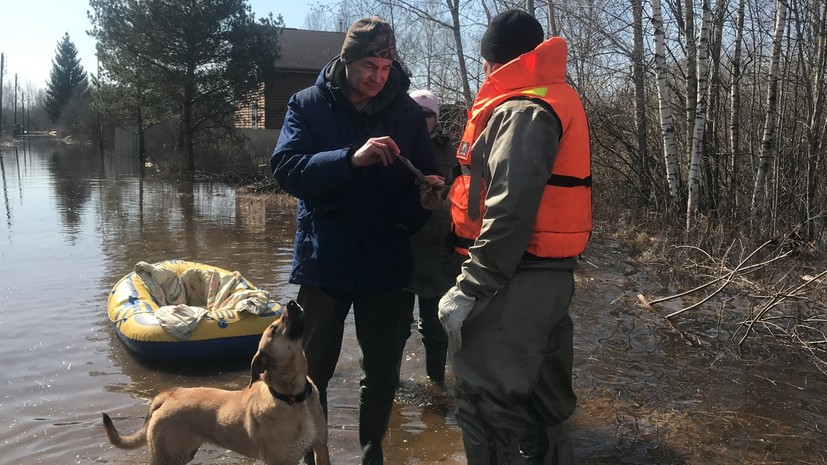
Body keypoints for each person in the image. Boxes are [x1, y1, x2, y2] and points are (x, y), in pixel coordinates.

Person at [270, 16, 443, 465]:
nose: (378, 76)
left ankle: (372, 455)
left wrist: (426, 200)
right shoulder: (307, 104)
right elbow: (286, 170)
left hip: (386, 262)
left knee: (382, 372)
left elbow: (422, 181)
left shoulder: (406, 114)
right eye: (370, 65)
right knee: (312, 372)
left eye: (386, 67)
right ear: (348, 60)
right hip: (324, 259)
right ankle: (316, 457)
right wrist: (351, 159)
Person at [437, 9, 592, 465]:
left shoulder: (521, 108)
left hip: (512, 280)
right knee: (544, 405)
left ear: (492, 61)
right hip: (546, 276)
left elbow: (509, 215)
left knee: (487, 404)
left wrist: (469, 289)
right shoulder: (554, 96)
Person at [397, 89, 461, 385]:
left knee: (436, 331)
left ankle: (437, 388)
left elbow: (467, 202)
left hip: (440, 256)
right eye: (415, 112)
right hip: (400, 251)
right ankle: (386, 386)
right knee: (392, 330)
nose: (421, 119)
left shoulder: (454, 152)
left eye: (427, 113)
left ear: (436, 116)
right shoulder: (394, 145)